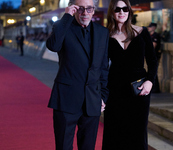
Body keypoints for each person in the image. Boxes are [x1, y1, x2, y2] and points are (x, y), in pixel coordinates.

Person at [46, 0, 109, 149]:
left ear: (93, 10)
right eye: (80, 9)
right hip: (66, 99)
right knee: (63, 146)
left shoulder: (102, 32)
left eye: (89, 9)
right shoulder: (62, 27)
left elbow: (104, 67)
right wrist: (66, 16)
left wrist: (103, 96)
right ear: (73, 9)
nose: (85, 13)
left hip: (92, 100)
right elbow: (53, 46)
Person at [102, 0, 158, 150]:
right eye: (117, 9)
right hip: (114, 91)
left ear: (130, 11)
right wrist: (101, 93)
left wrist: (150, 82)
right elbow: (100, 67)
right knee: (114, 133)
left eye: (125, 9)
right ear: (112, 12)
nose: (122, 12)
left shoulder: (142, 32)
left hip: (138, 89)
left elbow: (153, 61)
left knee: (138, 133)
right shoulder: (105, 35)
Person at [148, 22, 161, 93]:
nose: (149, 28)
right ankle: (154, 87)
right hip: (151, 56)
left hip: (155, 56)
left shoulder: (155, 35)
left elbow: (153, 46)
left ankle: (156, 88)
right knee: (152, 71)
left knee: (154, 71)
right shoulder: (150, 35)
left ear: (154, 28)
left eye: (150, 27)